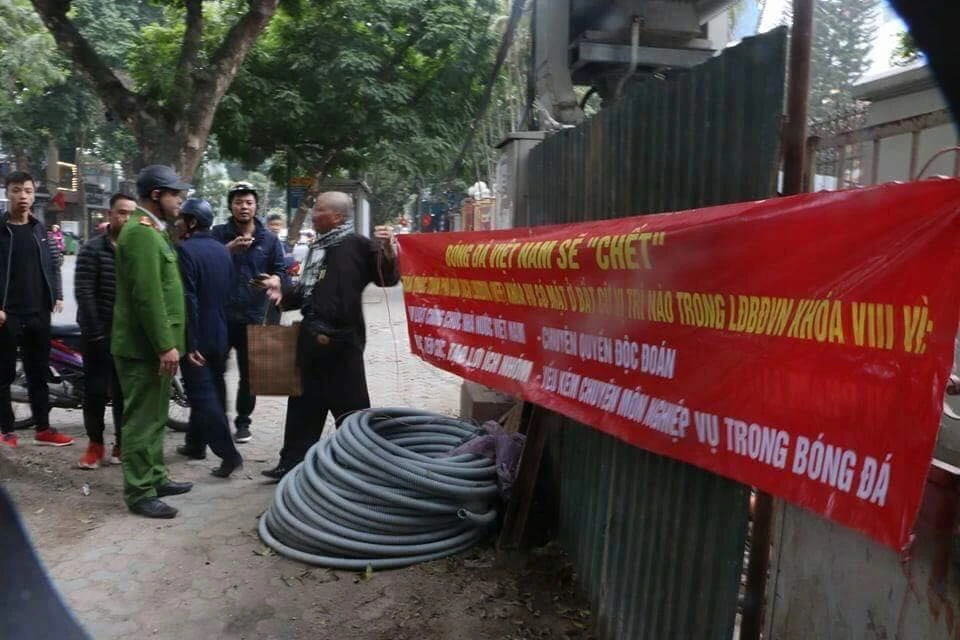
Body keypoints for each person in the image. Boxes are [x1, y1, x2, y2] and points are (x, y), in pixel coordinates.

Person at [259, 191, 399, 480]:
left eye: (318, 209)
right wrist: (282, 291)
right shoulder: (318, 246)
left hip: (343, 341)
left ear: (336, 216)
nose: (312, 214)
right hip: (310, 337)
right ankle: (292, 462)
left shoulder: (359, 245)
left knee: (351, 408)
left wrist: (388, 251)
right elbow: (307, 292)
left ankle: (361, 467)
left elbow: (388, 278)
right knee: (303, 404)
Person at [112, 165, 192, 519]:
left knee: (157, 416)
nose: (180, 201)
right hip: (143, 348)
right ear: (157, 195)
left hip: (153, 347)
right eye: (175, 194)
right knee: (142, 420)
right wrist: (164, 345)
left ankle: (155, 477)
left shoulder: (152, 230)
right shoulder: (142, 234)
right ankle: (140, 491)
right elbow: (147, 296)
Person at [0, 171, 73, 448]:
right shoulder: (1, 229)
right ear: (8, 193)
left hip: (38, 313)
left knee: (38, 373)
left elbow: (53, 263)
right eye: (17, 190)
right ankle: (6, 430)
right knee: (4, 375)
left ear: (33, 195)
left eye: (28, 191)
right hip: (7, 315)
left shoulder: (39, 229)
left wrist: (57, 295)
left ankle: (43, 428)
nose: (23, 196)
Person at [211, 182, 285, 444]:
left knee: (250, 375)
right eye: (238, 202)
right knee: (215, 371)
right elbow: (204, 263)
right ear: (231, 206)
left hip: (254, 317)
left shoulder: (270, 239)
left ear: (256, 206)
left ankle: (243, 422)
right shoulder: (218, 234)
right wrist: (228, 249)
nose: (244, 207)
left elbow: (281, 270)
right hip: (221, 316)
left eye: (249, 202)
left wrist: (274, 280)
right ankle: (219, 420)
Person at [174, 198, 243, 478]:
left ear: (192, 222)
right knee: (214, 389)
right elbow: (229, 291)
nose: (177, 223)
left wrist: (190, 342)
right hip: (219, 331)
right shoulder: (222, 250)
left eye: (182, 219)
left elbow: (188, 299)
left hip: (197, 335)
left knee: (202, 397)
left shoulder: (184, 250)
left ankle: (229, 454)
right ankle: (195, 444)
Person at [75, 193, 136, 468]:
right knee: (95, 392)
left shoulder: (137, 249)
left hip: (127, 336)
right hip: (97, 335)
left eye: (131, 214)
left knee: (125, 393)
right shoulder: (92, 249)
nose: (126, 218)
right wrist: (96, 332)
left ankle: (122, 444)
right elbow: (84, 292)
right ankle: (95, 444)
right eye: (122, 212)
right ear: (110, 214)